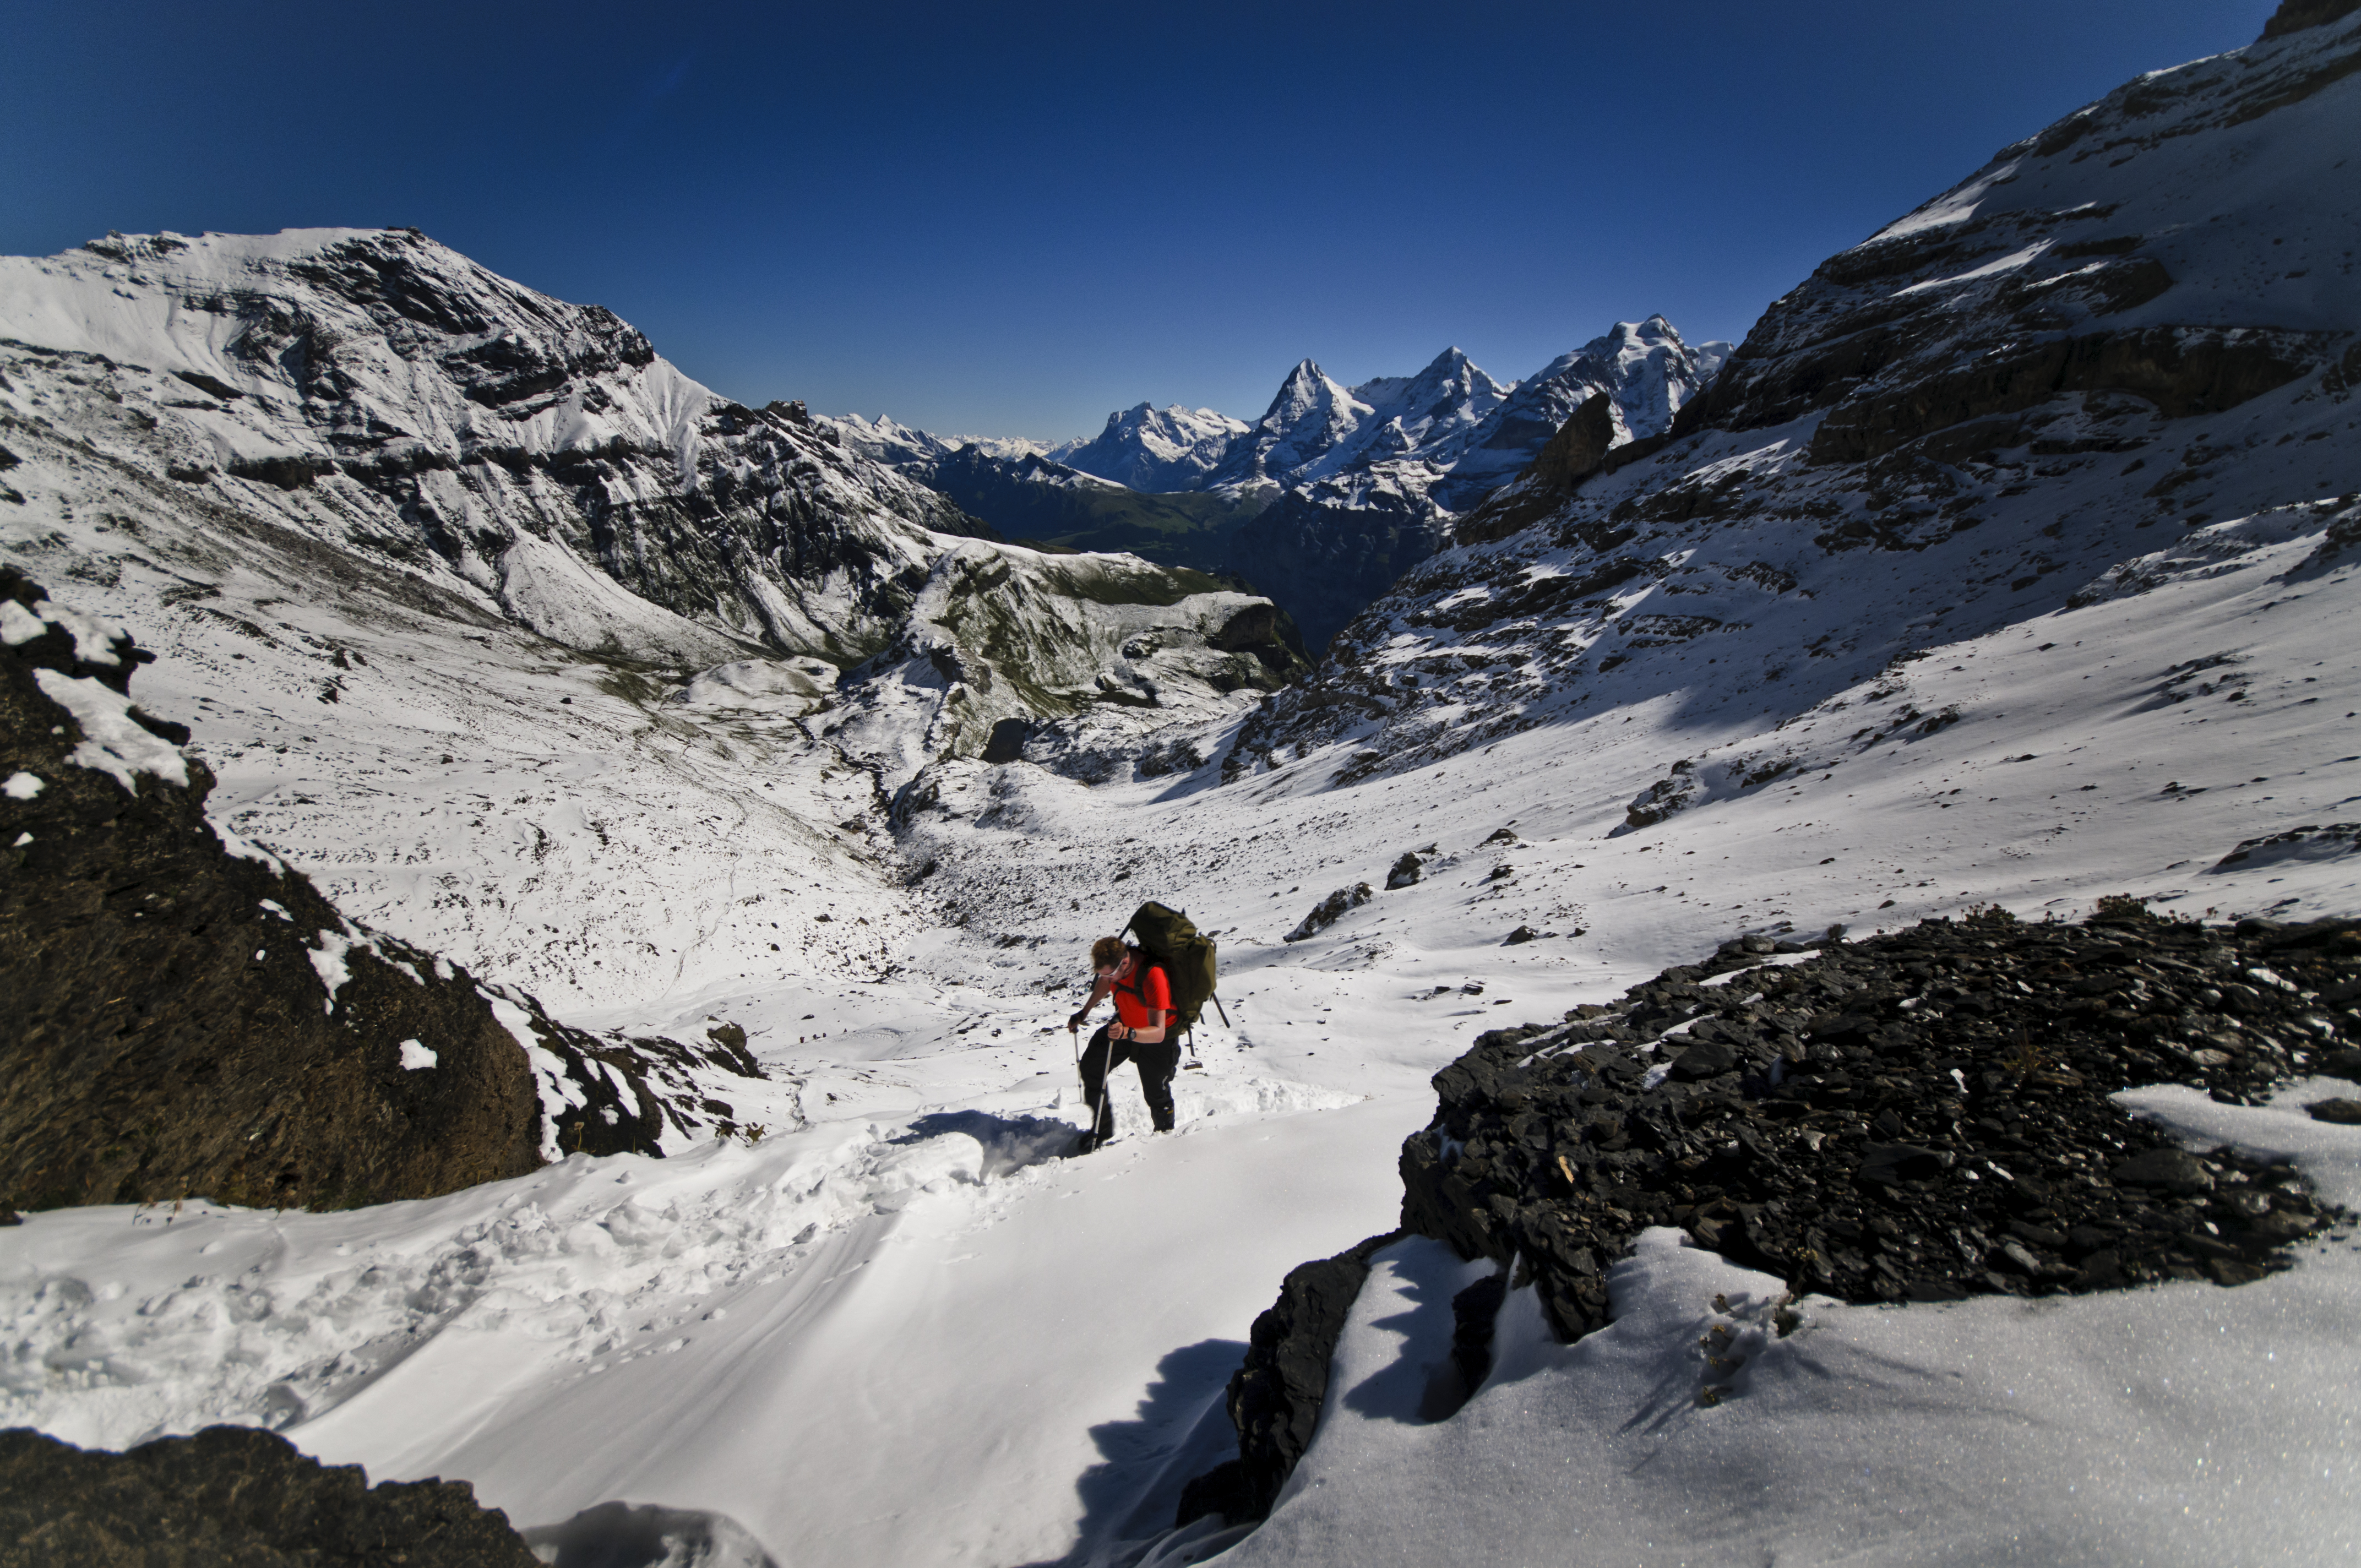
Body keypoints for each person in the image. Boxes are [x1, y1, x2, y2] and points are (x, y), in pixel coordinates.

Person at [1067, 935, 1180, 1152]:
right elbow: (1105, 982)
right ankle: (1102, 1128)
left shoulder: (1152, 975)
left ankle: (1166, 1141)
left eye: (1110, 974)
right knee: (1092, 1066)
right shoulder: (1115, 970)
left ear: (1125, 963)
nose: (1107, 978)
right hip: (1125, 1026)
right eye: (1103, 974)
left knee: (1156, 1092)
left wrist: (1128, 1033)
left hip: (1156, 1040)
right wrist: (1084, 1012)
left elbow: (1158, 1032)